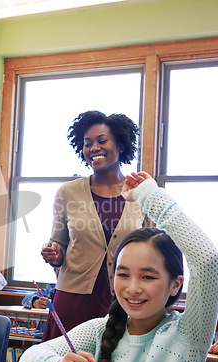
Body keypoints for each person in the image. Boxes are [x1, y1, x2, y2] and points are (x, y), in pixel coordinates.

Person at [20, 172, 218, 362]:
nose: (133, 288)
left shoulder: (190, 332)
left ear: (176, 285)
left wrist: (149, 195)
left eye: (148, 277)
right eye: (123, 274)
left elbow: (207, 259)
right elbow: (29, 356)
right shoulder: (99, 330)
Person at [40, 110, 153, 341]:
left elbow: (155, 248)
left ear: (120, 145)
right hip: (73, 297)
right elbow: (59, 246)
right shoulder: (67, 192)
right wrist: (53, 254)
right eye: (87, 143)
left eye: (102, 141)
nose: (94, 148)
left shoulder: (142, 190)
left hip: (127, 297)